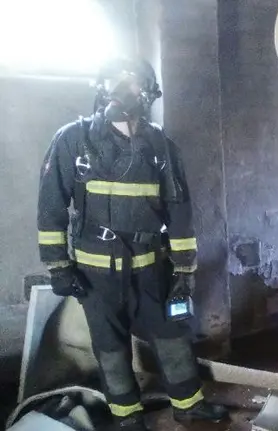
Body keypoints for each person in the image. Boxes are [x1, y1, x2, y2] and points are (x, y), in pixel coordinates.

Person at [36, 58, 228, 430]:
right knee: (110, 346)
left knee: (172, 335)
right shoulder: (73, 141)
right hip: (95, 272)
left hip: (149, 267)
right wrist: (58, 266)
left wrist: (184, 270)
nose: (125, 91)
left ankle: (189, 404)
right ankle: (128, 418)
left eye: (134, 83)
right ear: (101, 89)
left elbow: (180, 213)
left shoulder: (160, 145)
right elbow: (51, 207)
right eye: (115, 82)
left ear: (149, 92)